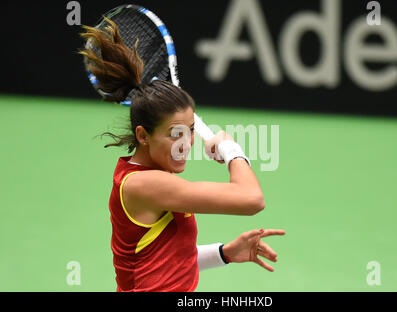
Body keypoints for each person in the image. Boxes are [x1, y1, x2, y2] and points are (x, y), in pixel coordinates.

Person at [80, 19, 285, 292]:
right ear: (143, 136)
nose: (186, 143)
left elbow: (162, 261)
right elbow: (251, 200)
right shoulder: (146, 184)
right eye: (174, 134)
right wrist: (231, 149)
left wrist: (224, 253)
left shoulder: (151, 176)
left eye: (189, 131)